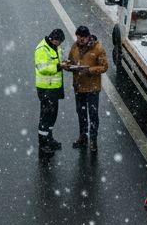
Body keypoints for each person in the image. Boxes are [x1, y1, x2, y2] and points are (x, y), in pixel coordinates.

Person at [66, 25, 108, 153]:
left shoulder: (98, 48)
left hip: (92, 88)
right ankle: (83, 137)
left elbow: (104, 67)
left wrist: (89, 70)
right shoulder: (74, 47)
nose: (80, 40)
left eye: (82, 38)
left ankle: (93, 140)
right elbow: (70, 61)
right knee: (81, 114)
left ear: (88, 36)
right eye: (78, 37)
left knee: (93, 115)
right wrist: (68, 66)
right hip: (79, 88)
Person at [34, 28, 67, 158]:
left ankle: (49, 138)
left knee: (52, 115)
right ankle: (43, 143)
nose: (60, 45)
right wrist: (59, 66)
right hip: (46, 89)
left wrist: (63, 63)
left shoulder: (54, 47)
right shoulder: (42, 49)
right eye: (59, 42)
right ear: (54, 39)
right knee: (46, 117)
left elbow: (55, 62)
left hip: (54, 88)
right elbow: (42, 68)